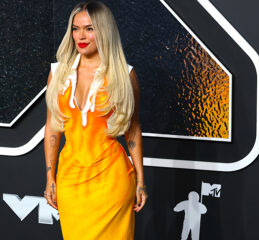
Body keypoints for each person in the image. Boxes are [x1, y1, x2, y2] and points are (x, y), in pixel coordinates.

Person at [43, 1, 148, 239]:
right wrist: (50, 176)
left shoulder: (124, 75)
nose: (81, 36)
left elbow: (132, 130)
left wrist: (141, 180)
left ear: (104, 31)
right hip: (70, 180)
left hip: (112, 181)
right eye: (76, 28)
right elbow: (51, 128)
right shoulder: (58, 73)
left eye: (90, 29)